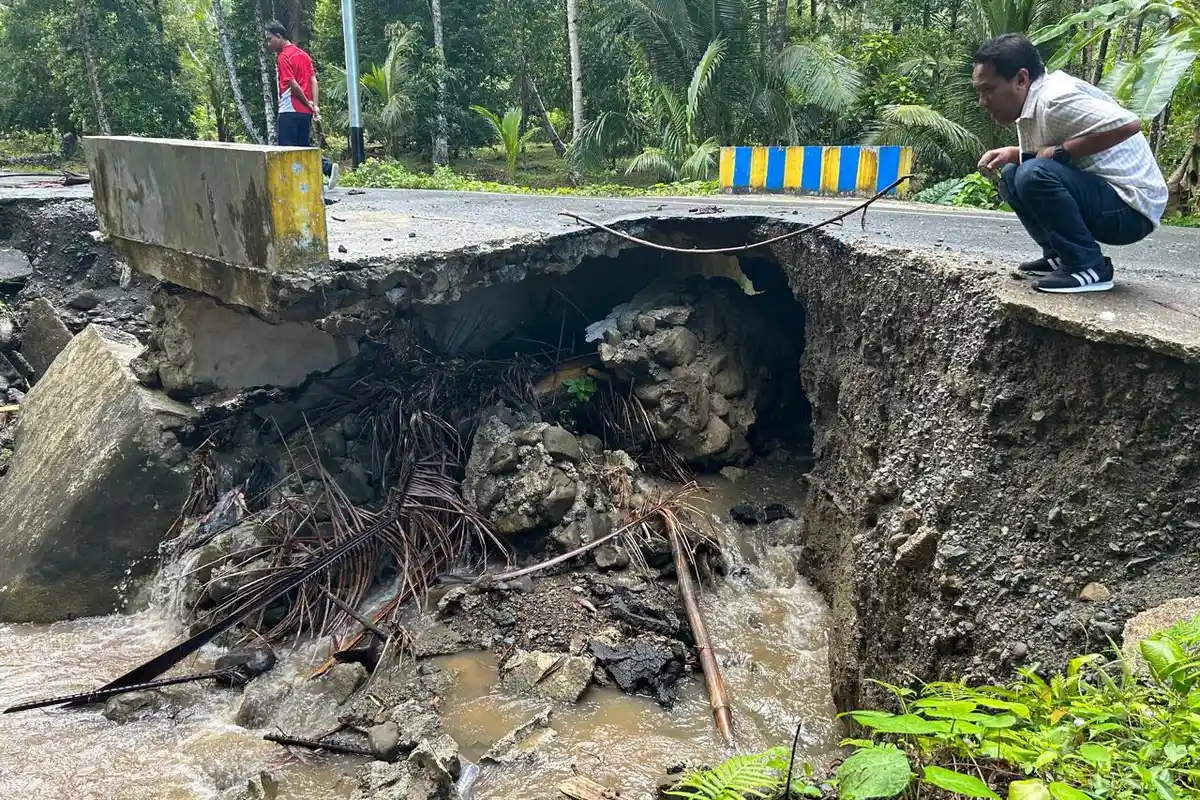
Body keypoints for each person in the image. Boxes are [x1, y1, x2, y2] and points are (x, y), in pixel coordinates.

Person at [972, 33, 1166, 294]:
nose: (982, 102)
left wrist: (1061, 151)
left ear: (1021, 79)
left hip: (1131, 209)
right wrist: (1012, 153)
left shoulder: (1054, 99)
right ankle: (1059, 256)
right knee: (1012, 174)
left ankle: (1087, 266)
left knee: (1031, 174)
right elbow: (1047, 156)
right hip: (1107, 198)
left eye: (988, 90)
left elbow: (1129, 124)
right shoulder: (1033, 102)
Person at [265, 20, 340, 190]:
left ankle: (293, 186)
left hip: (290, 110)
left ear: (279, 36)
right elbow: (313, 80)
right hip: (305, 113)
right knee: (303, 148)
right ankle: (325, 169)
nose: (269, 44)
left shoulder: (283, 57)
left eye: (270, 39)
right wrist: (314, 105)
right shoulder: (303, 55)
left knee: (287, 150)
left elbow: (292, 84)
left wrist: (307, 101)